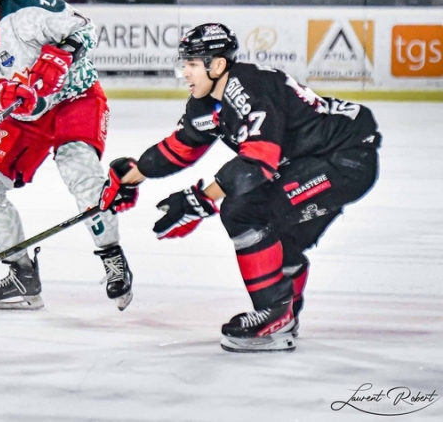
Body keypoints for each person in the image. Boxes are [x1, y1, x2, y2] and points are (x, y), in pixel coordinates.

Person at [98, 23, 381, 352]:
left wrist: (200, 198)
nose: (184, 73)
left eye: (191, 64)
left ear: (217, 65)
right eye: (184, 64)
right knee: (278, 238)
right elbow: (180, 148)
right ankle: (283, 315)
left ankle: (274, 317)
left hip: (345, 160)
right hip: (319, 159)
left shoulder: (248, 85)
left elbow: (258, 162)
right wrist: (129, 176)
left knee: (245, 210)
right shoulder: (207, 103)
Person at [0, 0, 133, 311]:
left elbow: (85, 29)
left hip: (76, 99)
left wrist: (61, 55)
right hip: (26, 119)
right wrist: (6, 94)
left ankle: (112, 258)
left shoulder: (28, 7)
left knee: (82, 176)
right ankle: (21, 274)